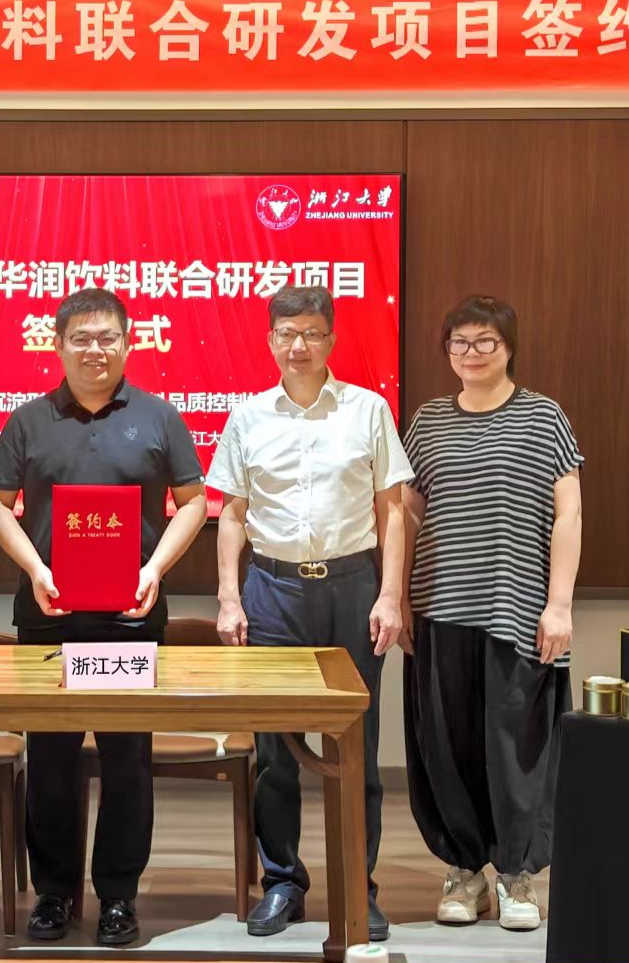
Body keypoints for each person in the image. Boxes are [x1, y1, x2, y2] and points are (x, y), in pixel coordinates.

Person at [0, 288, 207, 947]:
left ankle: (118, 895)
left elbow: (194, 501)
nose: (94, 349)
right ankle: (53, 893)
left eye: (107, 337)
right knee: (49, 760)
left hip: (130, 617)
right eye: (80, 338)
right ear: (57, 345)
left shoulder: (159, 417)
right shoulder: (27, 421)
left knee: (127, 761)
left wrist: (154, 570)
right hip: (48, 616)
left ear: (128, 342)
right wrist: (36, 568)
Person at [208, 286, 412, 942]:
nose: (300, 345)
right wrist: (229, 597)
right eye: (288, 333)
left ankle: (358, 886)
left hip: (352, 588)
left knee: (358, 745)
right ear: (270, 340)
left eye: (313, 333)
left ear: (331, 339)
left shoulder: (368, 409)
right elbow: (232, 514)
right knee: (276, 750)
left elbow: (392, 510)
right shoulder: (247, 417)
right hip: (272, 590)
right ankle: (283, 883)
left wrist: (390, 594)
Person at [400, 295, 583, 933]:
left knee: (517, 749)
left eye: (485, 342)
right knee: (446, 744)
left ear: (509, 347)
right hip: (439, 606)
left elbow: (568, 515)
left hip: (519, 609)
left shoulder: (544, 417)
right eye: (460, 342)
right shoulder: (426, 421)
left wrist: (559, 604)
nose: (472, 353)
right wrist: (398, 595)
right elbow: (407, 515)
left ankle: (517, 875)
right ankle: (464, 871)